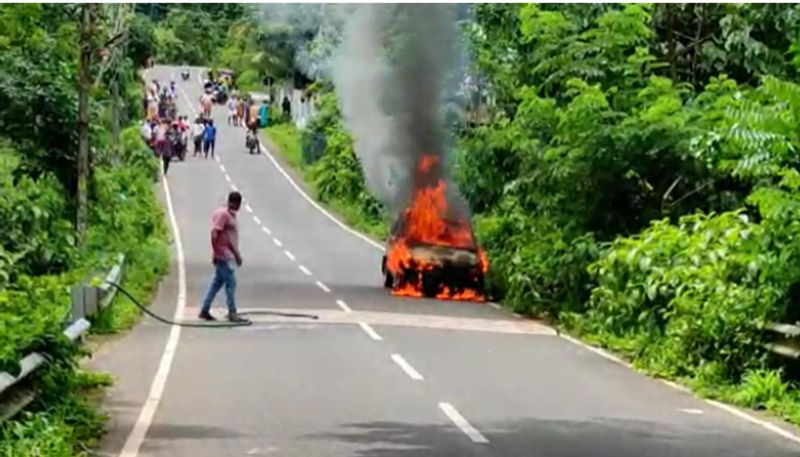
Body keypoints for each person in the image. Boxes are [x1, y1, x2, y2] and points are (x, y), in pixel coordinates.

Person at [199, 191, 249, 323]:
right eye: (239, 203)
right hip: (225, 255)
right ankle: (232, 312)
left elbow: (224, 236)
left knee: (216, 283)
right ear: (236, 202)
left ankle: (205, 309)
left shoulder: (227, 214)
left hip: (225, 254)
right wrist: (219, 252)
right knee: (231, 283)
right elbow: (215, 234)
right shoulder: (224, 215)